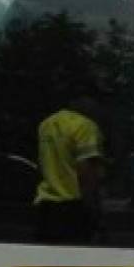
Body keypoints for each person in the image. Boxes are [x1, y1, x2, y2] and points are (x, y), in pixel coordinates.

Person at [33, 96, 106, 243]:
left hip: (45, 208)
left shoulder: (46, 124)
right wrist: (95, 214)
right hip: (73, 210)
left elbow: (42, 164)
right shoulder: (85, 126)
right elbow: (87, 173)